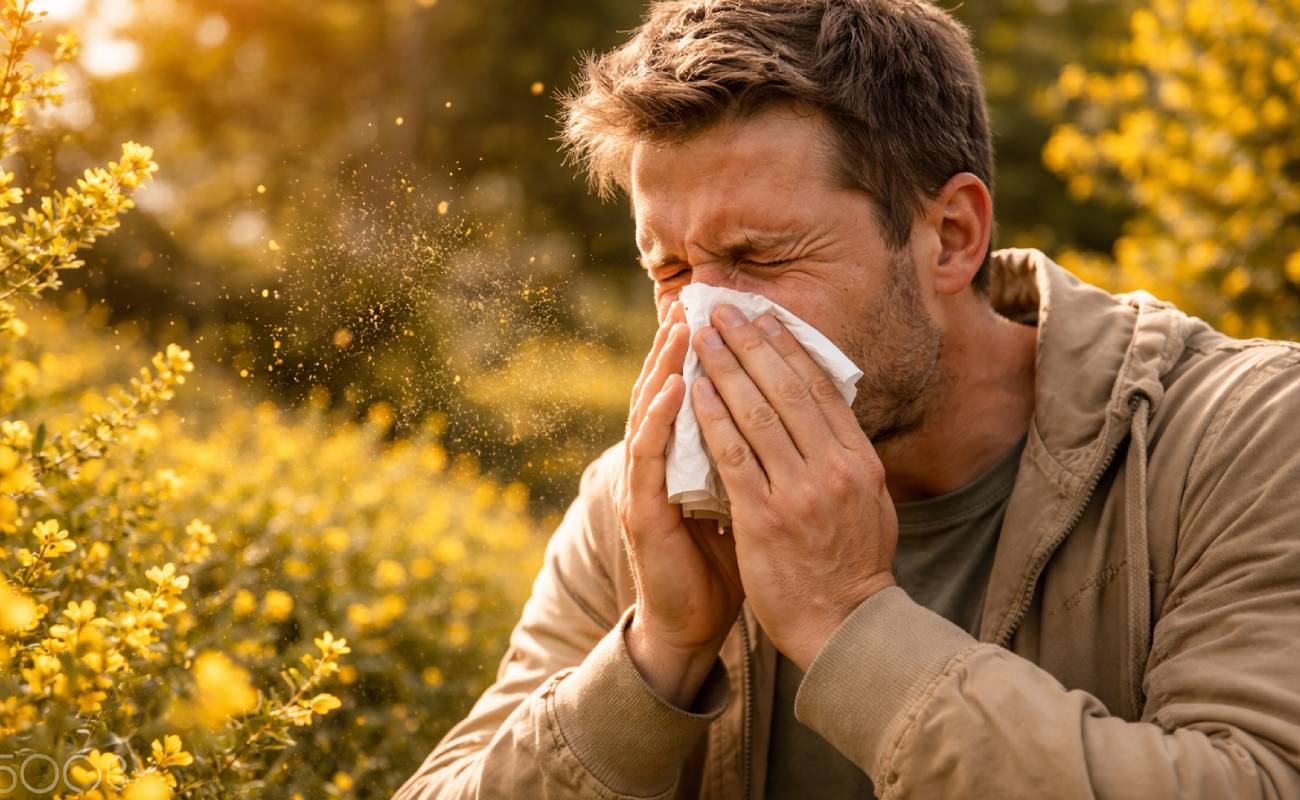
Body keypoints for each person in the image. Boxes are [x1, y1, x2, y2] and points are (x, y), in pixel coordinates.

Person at [394, 1, 1300, 797]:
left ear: (950, 237)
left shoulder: (1245, 435)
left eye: (760, 258)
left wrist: (850, 623)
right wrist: (656, 656)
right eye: (669, 270)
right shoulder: (640, 506)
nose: (704, 321)